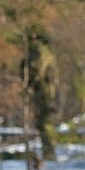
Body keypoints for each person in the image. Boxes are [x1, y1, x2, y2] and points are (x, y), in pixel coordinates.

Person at [20, 25, 58, 162]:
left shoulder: (38, 50)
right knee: (44, 122)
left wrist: (28, 83)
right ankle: (48, 152)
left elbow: (36, 70)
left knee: (44, 123)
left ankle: (49, 153)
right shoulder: (46, 50)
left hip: (43, 92)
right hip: (45, 91)